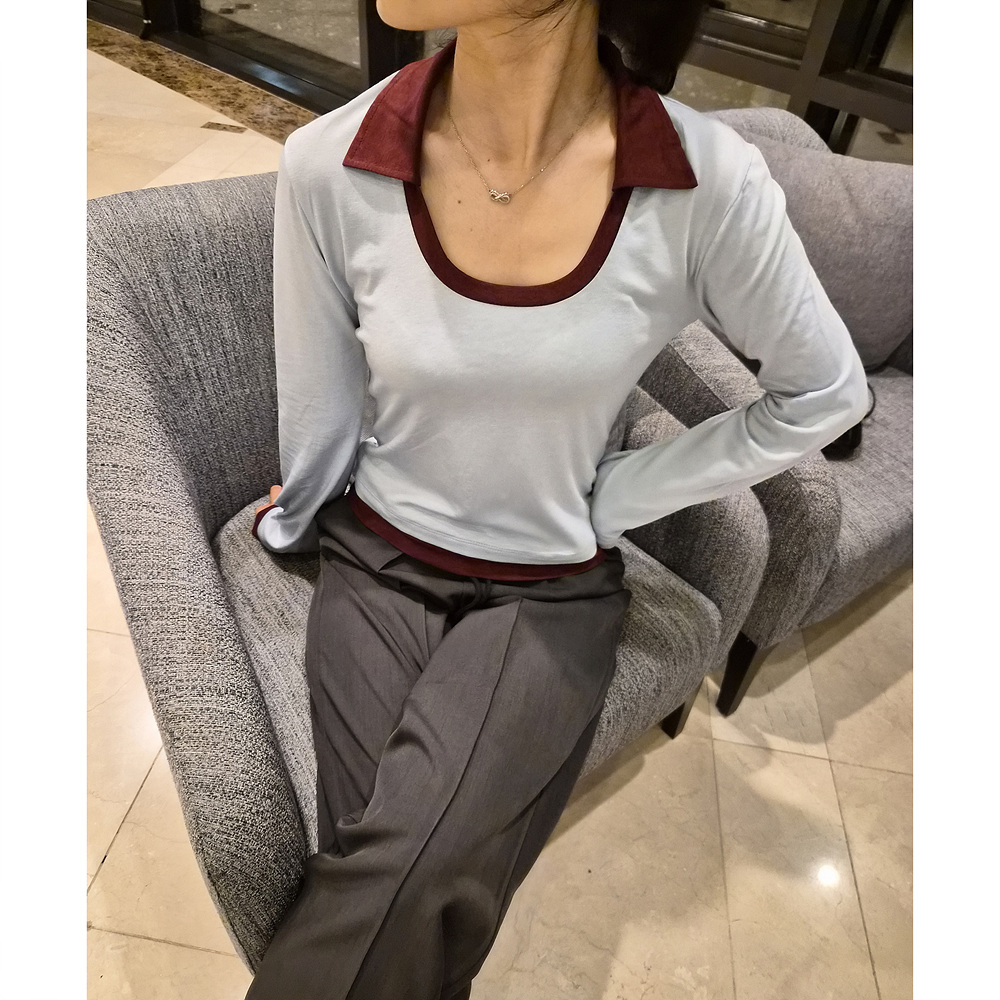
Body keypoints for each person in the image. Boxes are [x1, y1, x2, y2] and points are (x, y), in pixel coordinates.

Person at [245, 1, 870, 997]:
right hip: (374, 558)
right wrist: (293, 519)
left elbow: (825, 394)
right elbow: (318, 407)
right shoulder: (329, 163)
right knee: (386, 885)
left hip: (547, 587)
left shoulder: (702, 181)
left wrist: (622, 495)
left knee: (416, 878)